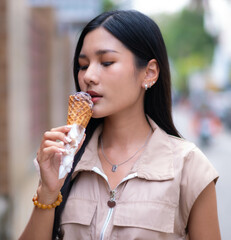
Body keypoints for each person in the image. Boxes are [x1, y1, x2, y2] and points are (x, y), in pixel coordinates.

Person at [19, 10, 221, 240]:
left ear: (149, 72)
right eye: (83, 65)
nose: (88, 76)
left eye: (106, 62)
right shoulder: (65, 160)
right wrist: (48, 192)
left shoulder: (189, 168)